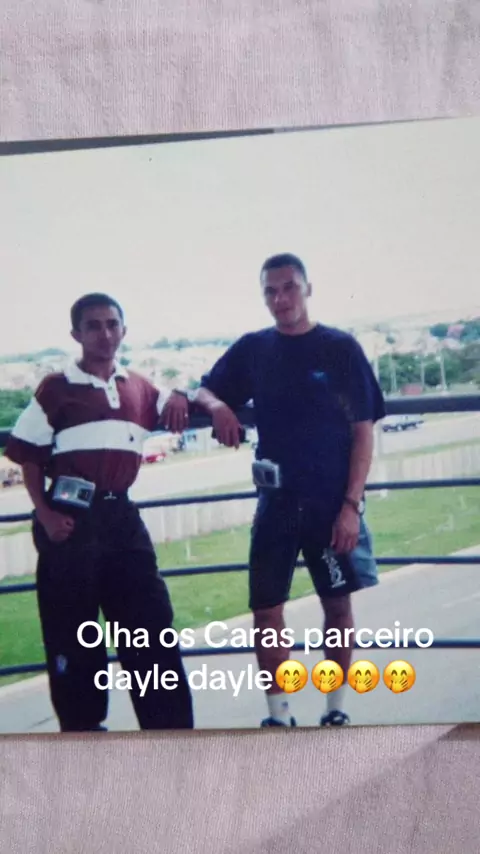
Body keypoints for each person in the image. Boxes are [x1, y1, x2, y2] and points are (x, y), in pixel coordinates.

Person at [192, 253, 385, 728]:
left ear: (307, 289)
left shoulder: (340, 348)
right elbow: (203, 389)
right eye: (271, 291)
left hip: (329, 503)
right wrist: (218, 407)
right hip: (275, 503)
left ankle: (335, 708)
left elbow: (363, 432)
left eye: (289, 287)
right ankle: (280, 715)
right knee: (265, 611)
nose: (281, 299)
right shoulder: (254, 348)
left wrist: (351, 506)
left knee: (337, 607)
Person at [5, 293, 194, 732]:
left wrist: (189, 395)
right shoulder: (55, 388)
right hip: (70, 521)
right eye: (93, 326)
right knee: (73, 633)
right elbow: (29, 457)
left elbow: (178, 401)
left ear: (124, 330)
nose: (104, 334)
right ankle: (84, 734)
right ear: (76, 334)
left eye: (112, 324)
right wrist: (45, 515)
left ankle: (170, 734)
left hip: (121, 519)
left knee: (149, 626)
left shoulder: (139, 387)